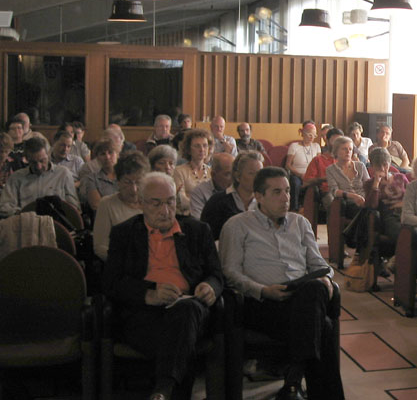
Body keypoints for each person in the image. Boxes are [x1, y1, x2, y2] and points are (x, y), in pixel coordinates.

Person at [219, 167, 343, 400]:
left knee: (316, 288)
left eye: (287, 191)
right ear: (259, 196)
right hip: (261, 305)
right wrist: (263, 290)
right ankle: (296, 384)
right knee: (323, 327)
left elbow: (320, 265)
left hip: (301, 298)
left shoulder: (300, 223)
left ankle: (293, 383)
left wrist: (326, 278)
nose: (285, 197)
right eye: (277, 192)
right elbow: (230, 273)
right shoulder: (237, 225)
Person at [103, 172, 223, 400]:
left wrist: (210, 287)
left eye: (170, 202)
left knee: (187, 311)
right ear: (141, 204)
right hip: (144, 314)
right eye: (156, 203)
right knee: (181, 341)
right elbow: (111, 282)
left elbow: (216, 275)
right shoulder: (124, 233)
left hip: (191, 310)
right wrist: (149, 294)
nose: (165, 210)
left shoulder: (198, 231)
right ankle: (167, 391)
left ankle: (163, 389)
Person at [0, 136, 79, 217]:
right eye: (33, 162)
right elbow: (4, 207)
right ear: (26, 159)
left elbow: (74, 208)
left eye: (42, 161)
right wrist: (24, 213)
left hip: (56, 221)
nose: (39, 166)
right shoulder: (16, 178)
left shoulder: (63, 174)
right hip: (26, 220)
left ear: (48, 155)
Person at [93, 152, 149, 261]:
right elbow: (100, 247)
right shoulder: (107, 204)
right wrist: (127, 261)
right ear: (118, 181)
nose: (134, 189)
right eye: (127, 182)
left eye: (138, 182)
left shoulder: (152, 203)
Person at [201, 151, 263, 240]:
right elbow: (207, 238)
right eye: (252, 173)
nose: (258, 178)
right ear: (238, 176)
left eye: (260, 173)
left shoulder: (265, 203)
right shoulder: (217, 202)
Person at [364, 147, 409, 256]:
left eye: (385, 165)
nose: (383, 169)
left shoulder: (400, 178)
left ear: (389, 164)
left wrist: (403, 204)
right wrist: (376, 183)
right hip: (388, 215)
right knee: (402, 234)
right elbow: (371, 206)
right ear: (372, 166)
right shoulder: (369, 184)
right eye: (378, 166)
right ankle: (399, 259)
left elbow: (412, 196)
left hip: (406, 211)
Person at [326, 135, 370, 216]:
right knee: (362, 212)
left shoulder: (360, 166)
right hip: (346, 202)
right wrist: (354, 196)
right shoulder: (330, 169)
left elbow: (368, 185)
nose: (348, 152)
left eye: (350, 149)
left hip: (364, 200)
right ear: (336, 151)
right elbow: (334, 191)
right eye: (344, 149)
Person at [173, 129, 213, 217]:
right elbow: (182, 201)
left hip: (210, 216)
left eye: (205, 145)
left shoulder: (212, 172)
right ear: (188, 149)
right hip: (187, 216)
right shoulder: (179, 171)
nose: (202, 149)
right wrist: (205, 205)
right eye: (197, 146)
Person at [303, 128, 344, 209]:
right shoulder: (318, 160)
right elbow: (306, 182)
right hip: (328, 192)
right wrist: (325, 178)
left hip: (347, 190)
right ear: (327, 142)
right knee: (335, 202)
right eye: (334, 141)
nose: (337, 145)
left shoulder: (347, 160)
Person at [285, 122, 320, 211]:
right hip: (297, 174)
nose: (312, 137)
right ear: (303, 134)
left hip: (311, 175)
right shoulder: (294, 146)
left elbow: (319, 164)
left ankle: (313, 210)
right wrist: (300, 175)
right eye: (309, 135)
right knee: (295, 183)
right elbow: (288, 165)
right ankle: (294, 208)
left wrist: (310, 176)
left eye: (314, 135)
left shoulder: (316, 146)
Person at [189, 152, 234, 219]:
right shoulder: (199, 193)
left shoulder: (239, 191)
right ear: (213, 175)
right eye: (228, 174)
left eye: (235, 173)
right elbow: (199, 222)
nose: (233, 179)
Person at [79, 139, 119, 211]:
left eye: (110, 152)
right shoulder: (92, 179)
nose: (107, 157)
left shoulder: (125, 175)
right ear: (97, 158)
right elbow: (96, 205)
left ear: (117, 154)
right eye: (103, 154)